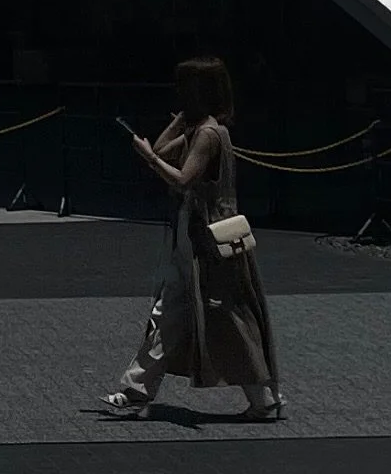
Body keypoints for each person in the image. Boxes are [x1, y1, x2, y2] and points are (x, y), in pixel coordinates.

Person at [101, 55, 283, 422]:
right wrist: (177, 123)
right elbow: (162, 150)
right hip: (195, 234)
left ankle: (264, 399)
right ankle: (137, 389)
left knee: (223, 315)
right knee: (172, 311)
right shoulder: (202, 129)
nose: (180, 92)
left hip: (206, 240)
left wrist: (150, 157)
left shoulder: (208, 134)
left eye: (186, 87)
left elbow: (180, 176)